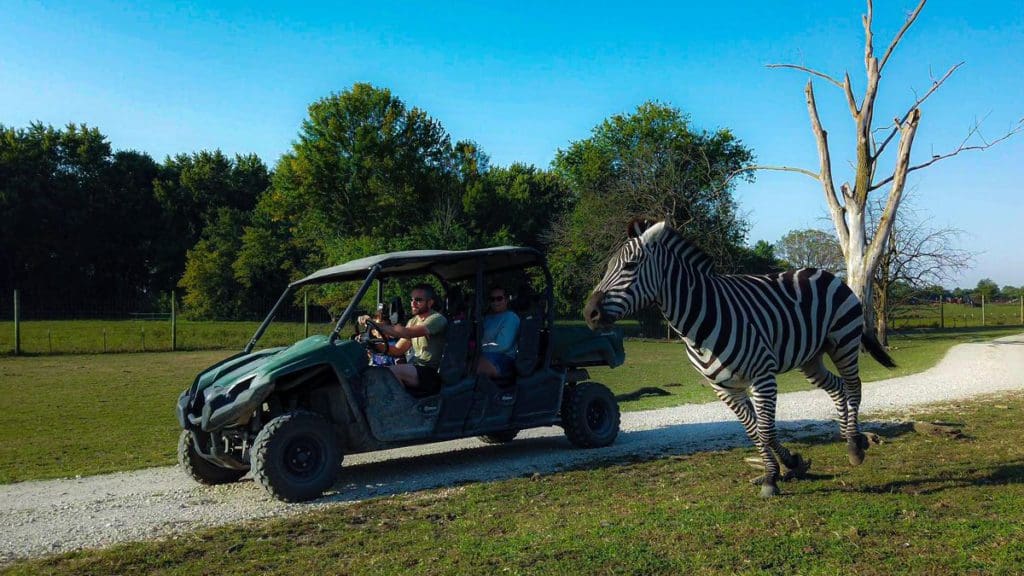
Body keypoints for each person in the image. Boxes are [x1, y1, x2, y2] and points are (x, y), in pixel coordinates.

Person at [359, 284, 447, 396]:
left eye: (418, 300)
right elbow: (397, 350)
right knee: (374, 371)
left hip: (431, 373)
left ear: (430, 303)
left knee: (389, 372)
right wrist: (373, 345)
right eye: (412, 299)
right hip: (415, 368)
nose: (413, 303)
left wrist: (375, 324)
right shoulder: (413, 321)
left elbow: (407, 333)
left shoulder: (437, 319)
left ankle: (401, 406)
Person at [477, 286, 520, 378]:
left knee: (478, 364)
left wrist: (480, 350)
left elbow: (503, 345)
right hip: (485, 355)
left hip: (504, 358)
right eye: (492, 299)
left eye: (499, 298)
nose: (495, 302)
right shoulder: (487, 319)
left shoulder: (511, 317)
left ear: (506, 300)